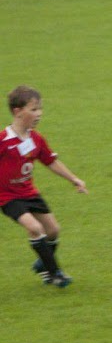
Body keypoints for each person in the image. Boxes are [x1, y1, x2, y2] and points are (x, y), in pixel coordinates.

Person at [1, 86, 87, 287]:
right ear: (17, 111)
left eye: (40, 109)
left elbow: (50, 162)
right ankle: (54, 273)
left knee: (53, 230)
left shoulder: (36, 138)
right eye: (33, 110)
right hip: (7, 196)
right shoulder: (3, 140)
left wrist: (74, 179)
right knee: (34, 227)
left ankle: (44, 262)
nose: (38, 114)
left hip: (29, 193)